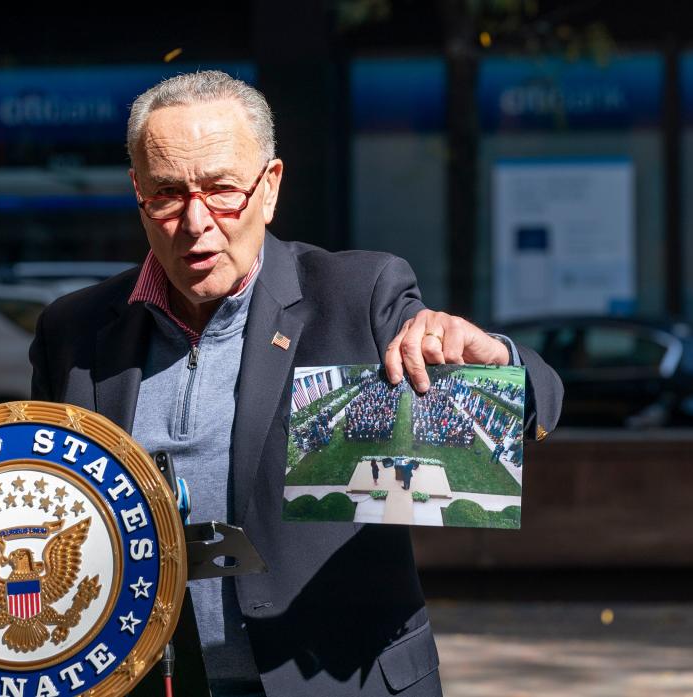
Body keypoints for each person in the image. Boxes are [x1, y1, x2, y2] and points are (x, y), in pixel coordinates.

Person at [30, 71, 563, 697]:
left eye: (222, 190)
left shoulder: (357, 295)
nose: (196, 221)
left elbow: (535, 401)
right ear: (137, 192)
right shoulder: (75, 329)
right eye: (167, 194)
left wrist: (494, 357)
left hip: (336, 679)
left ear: (270, 188)